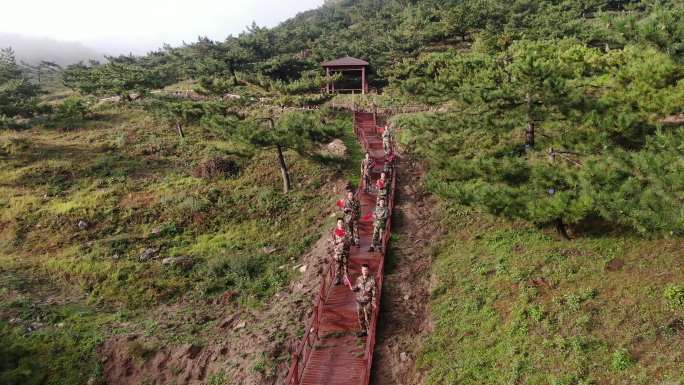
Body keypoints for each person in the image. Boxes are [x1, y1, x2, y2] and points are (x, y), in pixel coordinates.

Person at [352, 264, 376, 337]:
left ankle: (369, 332)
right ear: (361, 271)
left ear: (368, 270)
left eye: (366, 270)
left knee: (368, 317)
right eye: (363, 270)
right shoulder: (358, 279)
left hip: (367, 302)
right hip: (359, 301)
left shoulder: (372, 280)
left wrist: (374, 302)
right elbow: (356, 288)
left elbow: (375, 292)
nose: (364, 271)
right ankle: (363, 331)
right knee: (360, 317)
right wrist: (354, 289)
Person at [328, 218, 350, 285]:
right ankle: (337, 279)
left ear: (343, 223)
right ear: (337, 224)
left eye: (341, 222)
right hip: (337, 253)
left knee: (345, 266)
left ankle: (345, 279)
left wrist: (345, 240)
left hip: (345, 251)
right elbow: (331, 241)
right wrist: (338, 241)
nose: (340, 224)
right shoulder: (334, 232)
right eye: (339, 223)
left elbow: (350, 240)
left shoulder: (346, 232)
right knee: (337, 266)